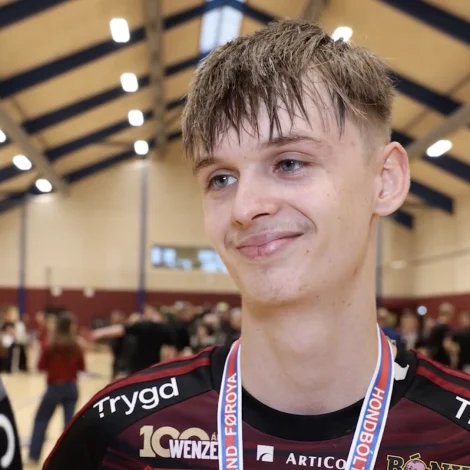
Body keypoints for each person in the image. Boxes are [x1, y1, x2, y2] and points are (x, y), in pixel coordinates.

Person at [43, 19, 470, 470]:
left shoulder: (457, 436)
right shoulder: (117, 435)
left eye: (289, 163)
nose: (244, 208)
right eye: (220, 179)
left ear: (385, 181)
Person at [28, 311, 85, 465]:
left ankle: (33, 456)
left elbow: (40, 366)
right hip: (71, 388)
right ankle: (69, 459)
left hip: (54, 388)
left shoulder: (49, 344)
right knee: (69, 426)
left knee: (41, 420)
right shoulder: (76, 345)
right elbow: (82, 367)